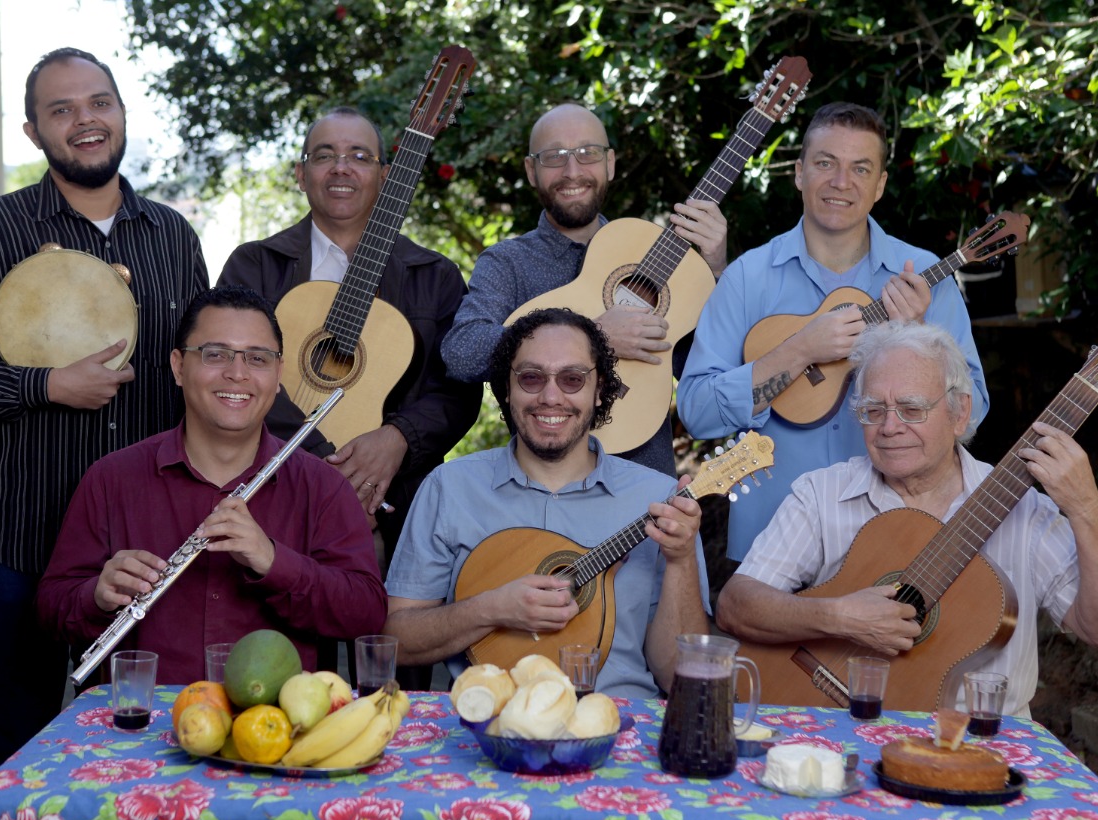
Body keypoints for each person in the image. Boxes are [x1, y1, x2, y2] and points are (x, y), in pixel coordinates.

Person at [0, 48, 208, 771]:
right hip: (17, 537)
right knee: (21, 732)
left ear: (121, 112)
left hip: (144, 542)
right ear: (32, 130)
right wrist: (43, 385)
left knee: (147, 731)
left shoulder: (173, 236)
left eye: (98, 102)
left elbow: (199, 373)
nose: (85, 121)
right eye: (62, 109)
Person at [717, 321, 1098, 714]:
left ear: (959, 413)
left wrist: (1086, 508)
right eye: (873, 410)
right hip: (838, 730)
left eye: (912, 409)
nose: (890, 427)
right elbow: (736, 606)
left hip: (985, 742)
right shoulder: (821, 493)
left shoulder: (1022, 507)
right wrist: (839, 617)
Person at [677, 102, 990, 562]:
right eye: (825, 163)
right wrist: (800, 349)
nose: (841, 182)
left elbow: (974, 411)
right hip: (773, 539)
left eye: (860, 168)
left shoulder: (922, 276)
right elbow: (697, 412)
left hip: (899, 538)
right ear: (799, 173)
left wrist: (920, 341)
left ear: (880, 184)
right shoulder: (747, 277)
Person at [37, 287, 386, 685]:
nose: (237, 373)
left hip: (277, 725)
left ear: (278, 375)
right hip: (142, 723)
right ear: (178, 366)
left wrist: (273, 562)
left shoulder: (323, 488)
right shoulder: (111, 479)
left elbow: (366, 615)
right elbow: (51, 611)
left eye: (257, 358)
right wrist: (96, 597)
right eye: (215, 354)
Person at [385, 308, 710, 697]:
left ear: (600, 388)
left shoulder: (658, 498)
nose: (550, 396)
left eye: (572, 379)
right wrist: (490, 609)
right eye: (531, 377)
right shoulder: (450, 487)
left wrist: (681, 558)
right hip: (491, 725)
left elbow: (680, 676)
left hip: (621, 723)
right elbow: (398, 641)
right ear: (507, 388)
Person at [216, 106, 479, 568]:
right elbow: (230, 373)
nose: (341, 167)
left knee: (386, 637)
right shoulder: (253, 266)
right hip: (273, 498)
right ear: (301, 174)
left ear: (385, 175)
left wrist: (398, 439)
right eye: (324, 155)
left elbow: (456, 389)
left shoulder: (435, 276)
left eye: (359, 155)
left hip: (398, 507)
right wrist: (326, 465)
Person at [440, 103, 729, 476]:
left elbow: (711, 383)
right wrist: (592, 335)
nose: (572, 171)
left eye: (587, 154)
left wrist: (716, 272)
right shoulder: (506, 263)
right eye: (554, 157)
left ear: (610, 163)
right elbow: (461, 353)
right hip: (541, 488)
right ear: (532, 170)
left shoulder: (662, 261)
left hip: (644, 488)